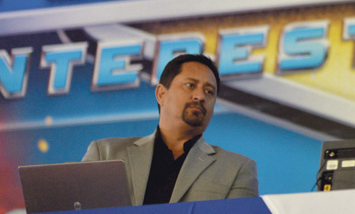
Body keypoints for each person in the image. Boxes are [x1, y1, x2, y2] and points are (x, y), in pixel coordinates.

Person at [83, 53, 258, 204]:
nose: (200, 96)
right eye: (190, 85)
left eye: (209, 91)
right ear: (161, 94)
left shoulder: (237, 169)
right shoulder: (105, 154)